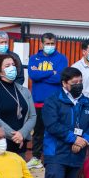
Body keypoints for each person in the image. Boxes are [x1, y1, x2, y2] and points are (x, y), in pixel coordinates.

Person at [41, 67, 89, 178]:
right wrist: (73, 139)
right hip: (56, 152)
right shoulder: (53, 101)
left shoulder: (87, 102)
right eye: (75, 82)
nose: (79, 84)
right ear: (64, 84)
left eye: (80, 81)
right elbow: (52, 125)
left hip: (77, 154)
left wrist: (84, 140)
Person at [27, 33, 67, 170]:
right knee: (38, 131)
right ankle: (36, 158)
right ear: (41, 44)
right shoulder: (34, 58)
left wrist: (42, 74)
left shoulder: (61, 58)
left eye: (52, 44)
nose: (50, 46)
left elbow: (59, 78)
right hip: (38, 101)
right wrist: (51, 72)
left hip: (55, 102)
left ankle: (52, 157)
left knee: (54, 130)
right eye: (47, 44)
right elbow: (33, 75)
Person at [0, 54, 36, 155]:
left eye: (13, 65)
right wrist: (14, 136)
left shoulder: (24, 91)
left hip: (20, 144)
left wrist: (22, 134)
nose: (12, 67)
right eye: (7, 66)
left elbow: (32, 116)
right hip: (0, 145)